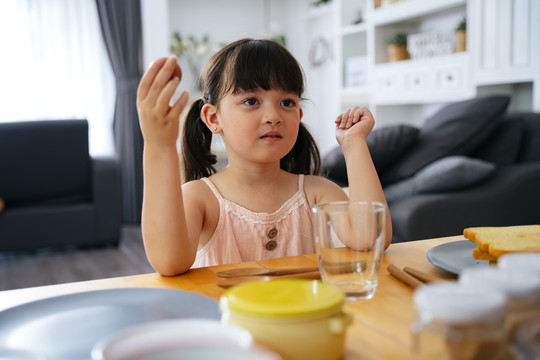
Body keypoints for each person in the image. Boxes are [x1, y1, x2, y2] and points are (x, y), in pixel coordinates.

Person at [137, 38, 392, 276]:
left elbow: (371, 238)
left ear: (299, 116)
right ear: (214, 119)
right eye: (251, 101)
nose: (274, 116)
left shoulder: (316, 192)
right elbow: (168, 261)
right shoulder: (200, 198)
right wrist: (160, 146)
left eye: (287, 103)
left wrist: (354, 143)